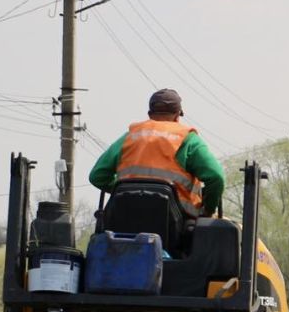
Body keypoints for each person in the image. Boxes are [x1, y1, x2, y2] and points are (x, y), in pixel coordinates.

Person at [89, 89, 226, 220]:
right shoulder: (187, 139)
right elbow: (216, 177)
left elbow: (97, 176)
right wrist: (207, 210)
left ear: (150, 115)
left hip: (124, 217)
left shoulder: (129, 137)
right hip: (177, 225)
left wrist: (126, 192)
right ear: (177, 115)